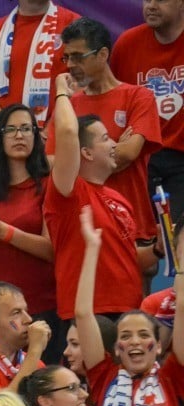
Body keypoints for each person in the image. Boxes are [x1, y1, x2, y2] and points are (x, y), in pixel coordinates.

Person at [44, 73, 154, 321]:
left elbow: (129, 258)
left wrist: (158, 249)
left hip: (129, 310)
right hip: (90, 313)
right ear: (86, 152)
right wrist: (62, 92)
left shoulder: (118, 198)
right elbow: (68, 132)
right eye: (106, 139)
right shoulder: (68, 192)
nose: (115, 144)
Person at [46, 17, 163, 241]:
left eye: (78, 57)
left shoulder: (139, 97)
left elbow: (129, 153)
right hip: (84, 227)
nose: (70, 64)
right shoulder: (68, 105)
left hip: (133, 225)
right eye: (67, 57)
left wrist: (78, 158)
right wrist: (112, 151)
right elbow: (52, 164)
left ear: (103, 55)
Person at [74, 209, 184, 406]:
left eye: (143, 335)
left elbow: (182, 305)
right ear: (117, 348)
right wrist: (92, 249)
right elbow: (83, 314)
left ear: (158, 347)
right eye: (126, 335)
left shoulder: (172, 375)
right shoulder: (103, 374)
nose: (134, 341)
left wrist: (181, 263)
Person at [0, 104, 58, 360]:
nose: (20, 135)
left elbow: (51, 249)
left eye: (27, 129)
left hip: (38, 304)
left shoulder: (49, 185)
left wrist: (2, 230)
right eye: (12, 129)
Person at [112, 0, 184, 226]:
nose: (151, 5)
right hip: (141, 159)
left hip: (181, 158)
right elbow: (115, 101)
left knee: (176, 243)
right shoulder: (127, 44)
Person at [0, 0, 80, 129]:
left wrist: (46, 136)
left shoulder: (75, 25)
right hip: (3, 143)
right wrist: (13, 133)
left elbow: (83, 90)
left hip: (57, 142)